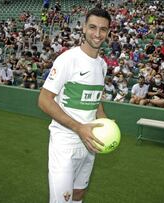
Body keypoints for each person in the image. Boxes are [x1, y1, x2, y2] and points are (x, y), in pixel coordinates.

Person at [38, 8, 111, 203]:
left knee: (79, 194)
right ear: (84, 28)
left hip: (89, 142)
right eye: (93, 27)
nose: (97, 34)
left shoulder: (102, 65)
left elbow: (96, 100)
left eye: (103, 29)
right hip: (66, 141)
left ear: (108, 32)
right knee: (63, 199)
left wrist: (104, 121)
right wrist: (79, 128)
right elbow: (44, 100)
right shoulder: (68, 59)